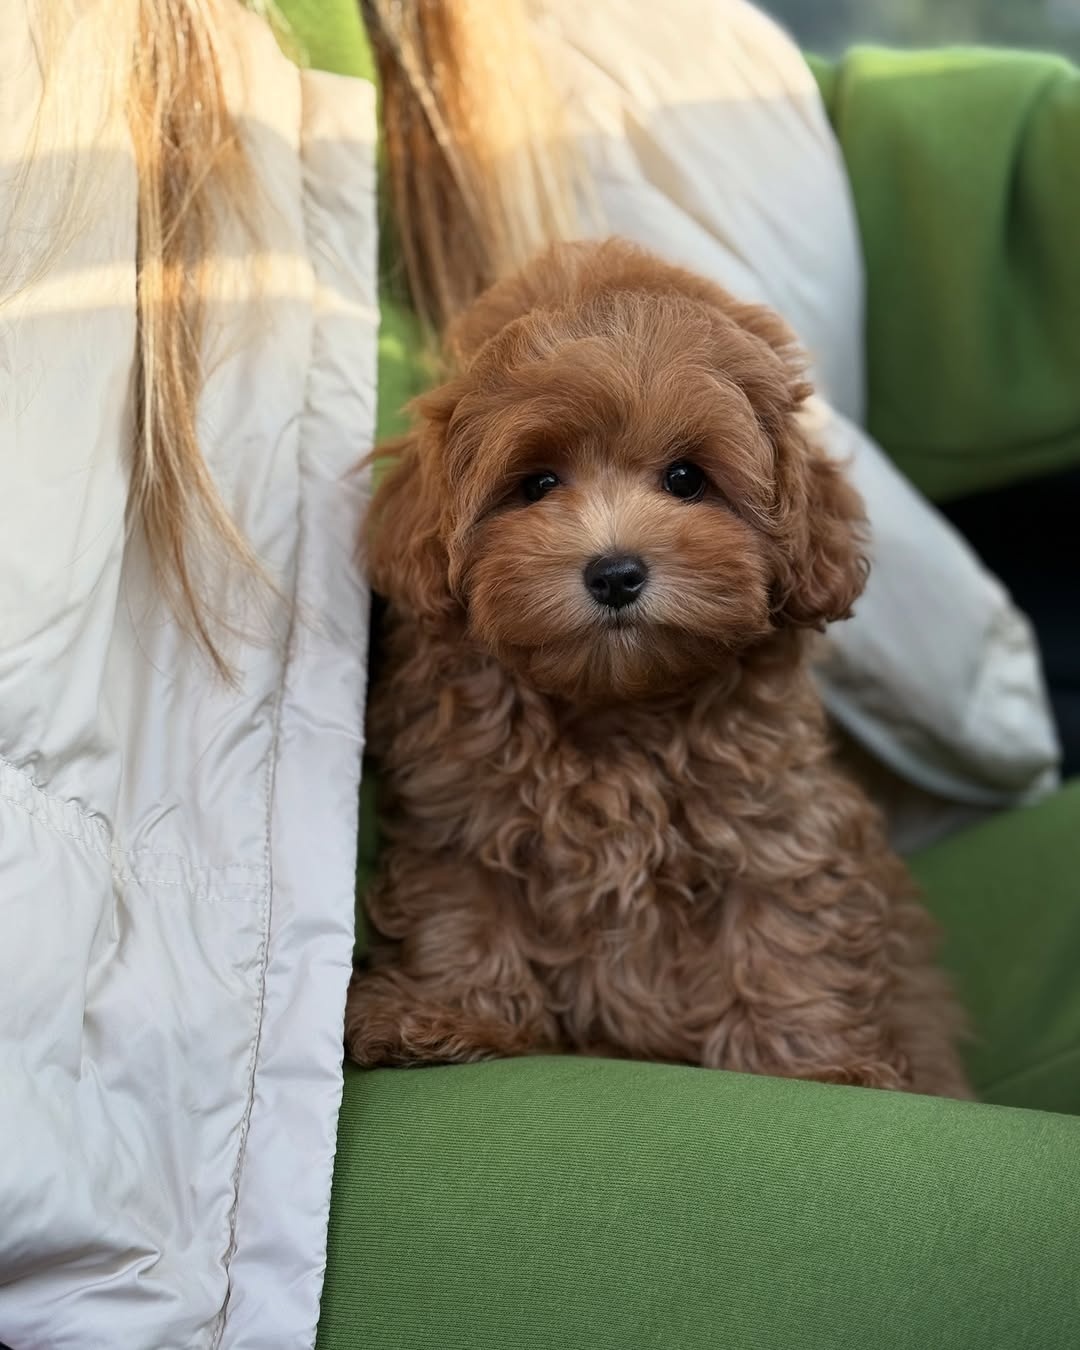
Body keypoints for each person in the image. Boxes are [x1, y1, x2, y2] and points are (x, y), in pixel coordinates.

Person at [0, 2, 1076, 1347]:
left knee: (797, 903)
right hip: (342, 1103)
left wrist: (800, 1051)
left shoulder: (546, 51)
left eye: (688, 480)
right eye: (537, 482)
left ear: (793, 519)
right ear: (443, 525)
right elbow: (456, 854)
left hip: (767, 1042)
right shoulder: (446, 690)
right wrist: (470, 993)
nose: (611, 541)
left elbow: (780, 900)